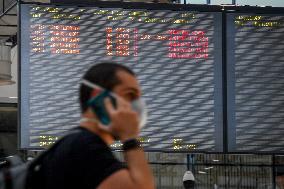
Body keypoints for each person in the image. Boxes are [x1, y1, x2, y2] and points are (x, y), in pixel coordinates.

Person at [32, 62, 155, 189]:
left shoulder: (74, 143)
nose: (137, 106)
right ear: (99, 97)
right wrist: (130, 138)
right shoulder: (85, 147)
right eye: (130, 95)